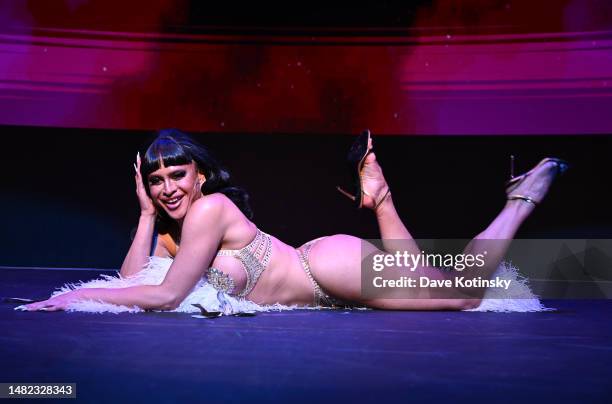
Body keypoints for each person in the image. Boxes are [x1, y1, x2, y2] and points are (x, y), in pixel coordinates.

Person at [22, 129, 567, 312]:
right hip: (329, 282)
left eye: (177, 175)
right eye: (157, 179)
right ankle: (378, 199)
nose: (168, 188)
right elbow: (133, 280)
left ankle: (523, 199)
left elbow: (164, 297)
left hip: (326, 267)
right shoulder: (174, 232)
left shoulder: (210, 210)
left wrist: (70, 298)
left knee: (467, 294)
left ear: (201, 177)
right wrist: (144, 214)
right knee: (440, 277)